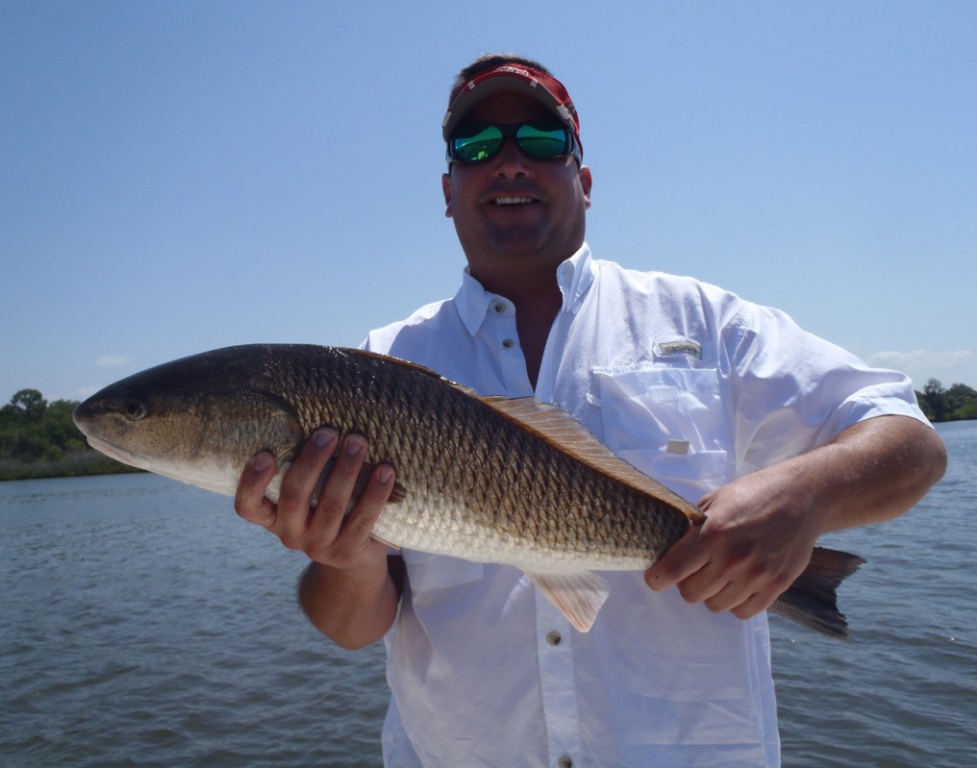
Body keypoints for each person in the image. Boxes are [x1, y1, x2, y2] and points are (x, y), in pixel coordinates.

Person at [235, 55, 946, 767]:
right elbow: (354, 627)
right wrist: (346, 559)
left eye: (541, 142)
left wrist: (808, 497)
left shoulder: (705, 321)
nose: (507, 163)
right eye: (475, 147)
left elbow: (911, 441)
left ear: (585, 180)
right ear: (447, 190)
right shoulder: (379, 368)